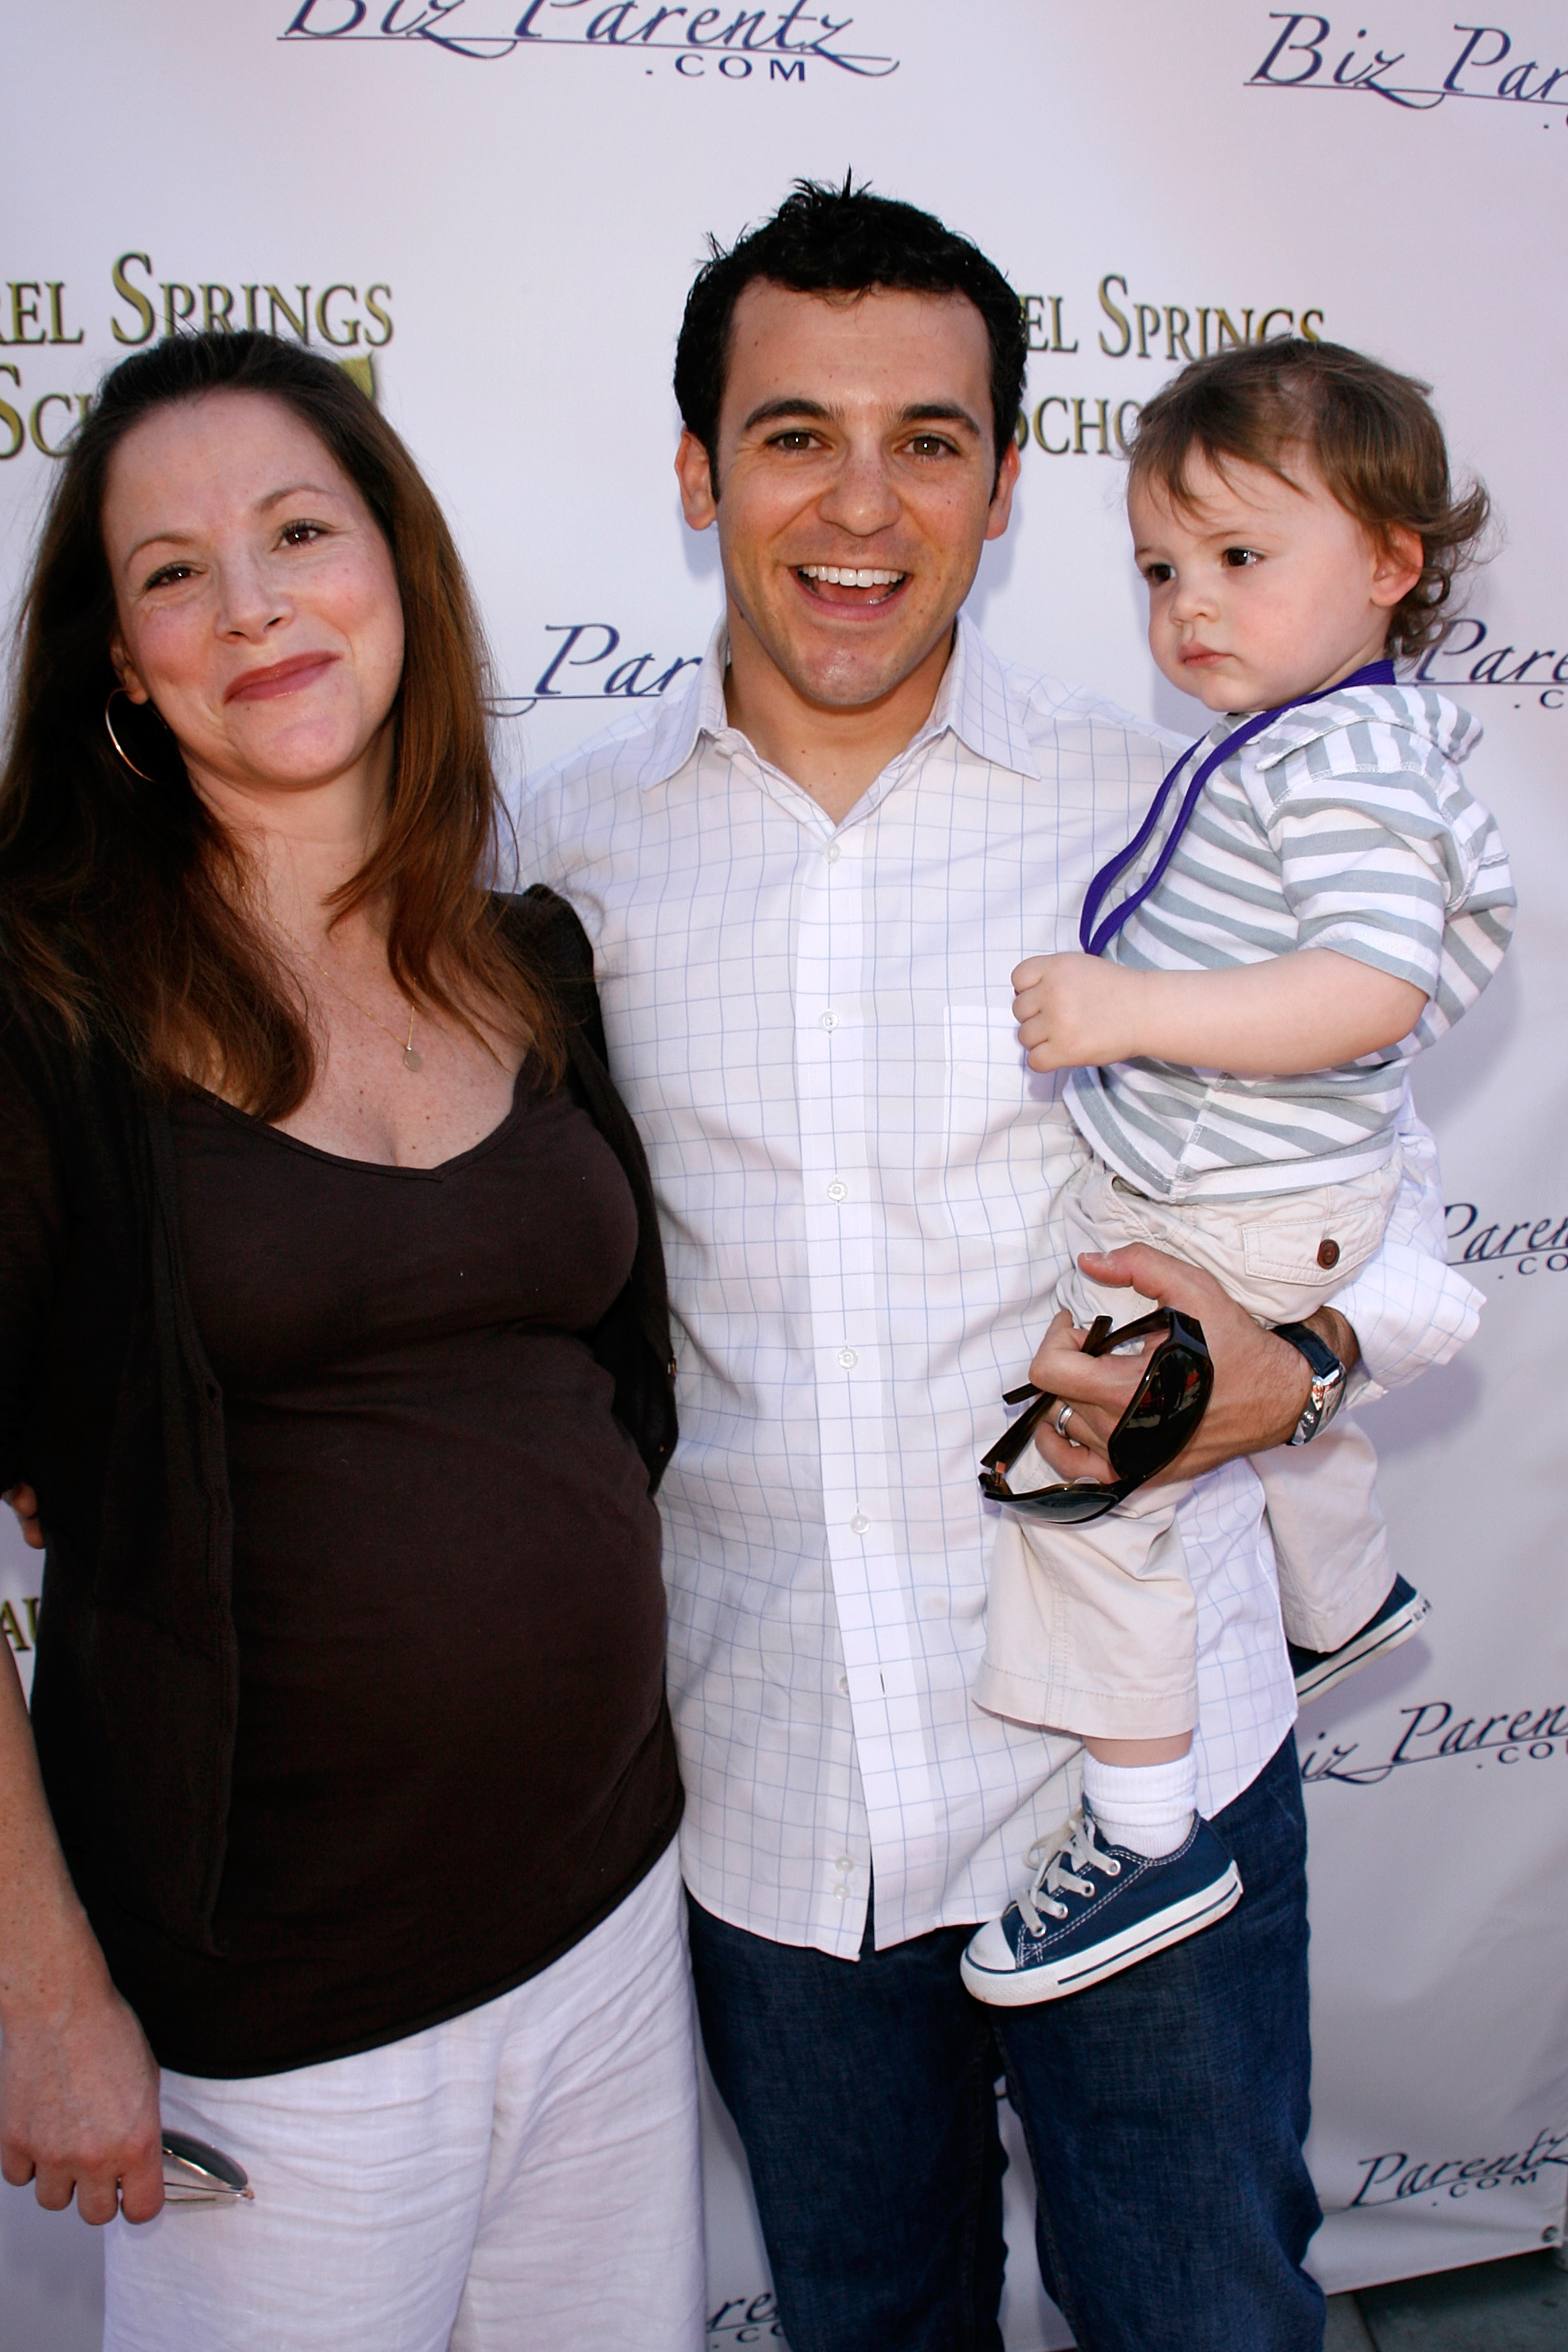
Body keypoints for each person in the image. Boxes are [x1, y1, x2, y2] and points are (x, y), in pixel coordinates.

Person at [518, 178, 1486, 2352]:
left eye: (927, 439)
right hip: (768, 1796)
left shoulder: (1166, 815)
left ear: (1002, 481)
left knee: (1200, 2314)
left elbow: (1375, 1206)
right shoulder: (557, 853)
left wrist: (1296, 1363)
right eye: (791, 433)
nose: (861, 504)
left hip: (1128, 1784)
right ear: (696, 473)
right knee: (866, 2320)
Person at [0, 328, 703, 2352]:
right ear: (121, 663)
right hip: (277, 2030)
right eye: (171, 571)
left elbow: (618, 1396)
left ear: (396, 570)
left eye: (303, 532)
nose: (253, 605)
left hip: (608, 1934)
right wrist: (46, 1994)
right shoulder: (42, 1014)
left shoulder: (534, 962)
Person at [961, 339, 1514, 2007]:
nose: (1188, 603)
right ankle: (1340, 1599)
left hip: (1241, 1204)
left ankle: (1142, 1839)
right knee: (1257, 1418)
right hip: (1261, 1200)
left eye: (1239, 557)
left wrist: (1132, 1007)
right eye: (1158, 568)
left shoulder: (1339, 756)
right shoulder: (1310, 737)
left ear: (1391, 564)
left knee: (1082, 1484)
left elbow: (1372, 990)